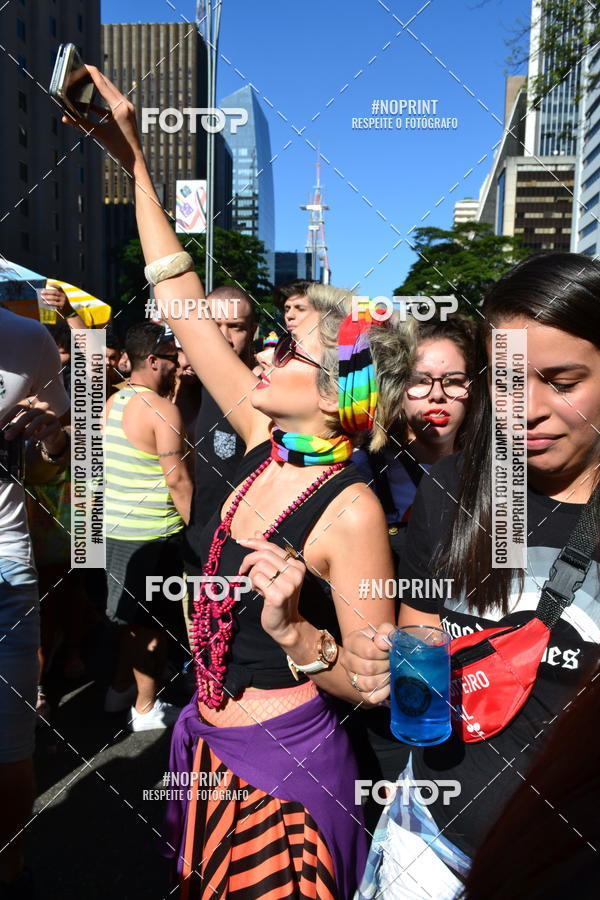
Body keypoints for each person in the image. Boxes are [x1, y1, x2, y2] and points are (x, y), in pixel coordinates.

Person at [63, 69, 416, 898]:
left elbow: (371, 683)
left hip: (285, 784)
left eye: (286, 353)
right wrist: (137, 164)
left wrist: (296, 633)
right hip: (212, 754)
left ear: (336, 394)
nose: (260, 355)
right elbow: (180, 297)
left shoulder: (353, 509)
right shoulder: (265, 436)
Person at [343, 252, 600, 898]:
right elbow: (421, 639)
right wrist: (365, 663)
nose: (530, 409)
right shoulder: (446, 491)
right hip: (422, 834)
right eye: (510, 382)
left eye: (563, 382)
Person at [0, 306, 70, 898]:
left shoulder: (28, 340)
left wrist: (52, 439)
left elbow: (61, 448)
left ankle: (11, 871)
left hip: (7, 559)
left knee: (9, 747)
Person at [104, 322, 193, 730]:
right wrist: (200, 532)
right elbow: (177, 479)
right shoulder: (161, 409)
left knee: (131, 621)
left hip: (117, 529)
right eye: (172, 359)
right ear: (153, 359)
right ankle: (144, 708)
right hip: (153, 534)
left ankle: (120, 689)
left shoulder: (112, 401)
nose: (177, 366)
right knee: (151, 628)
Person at [354, 314, 474, 564]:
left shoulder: (495, 471)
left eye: (453, 381)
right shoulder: (364, 474)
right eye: (420, 381)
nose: (438, 395)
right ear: (398, 388)